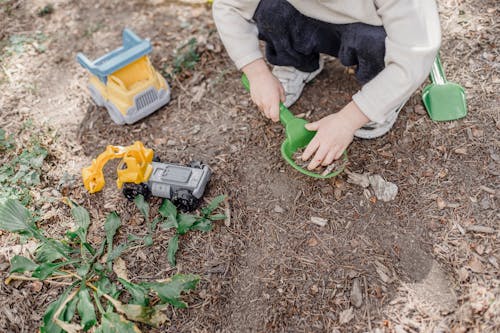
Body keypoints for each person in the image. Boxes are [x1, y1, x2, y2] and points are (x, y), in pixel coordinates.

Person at [212, 0, 442, 170]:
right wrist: (256, 72)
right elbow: (228, 5)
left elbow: (413, 55)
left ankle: (380, 90)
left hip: (367, 26)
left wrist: (348, 119)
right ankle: (297, 61)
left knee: (374, 42)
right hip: (304, 13)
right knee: (270, 8)